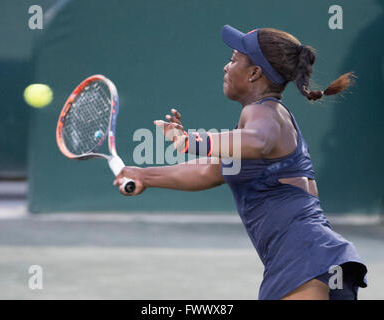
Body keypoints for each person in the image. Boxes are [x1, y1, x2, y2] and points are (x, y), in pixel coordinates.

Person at [113, 25, 367, 300]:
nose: (226, 67)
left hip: (303, 260)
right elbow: (209, 171)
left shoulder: (264, 114)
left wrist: (190, 141)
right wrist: (143, 176)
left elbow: (258, 140)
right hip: (318, 259)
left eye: (233, 59)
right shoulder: (269, 117)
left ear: (254, 73)